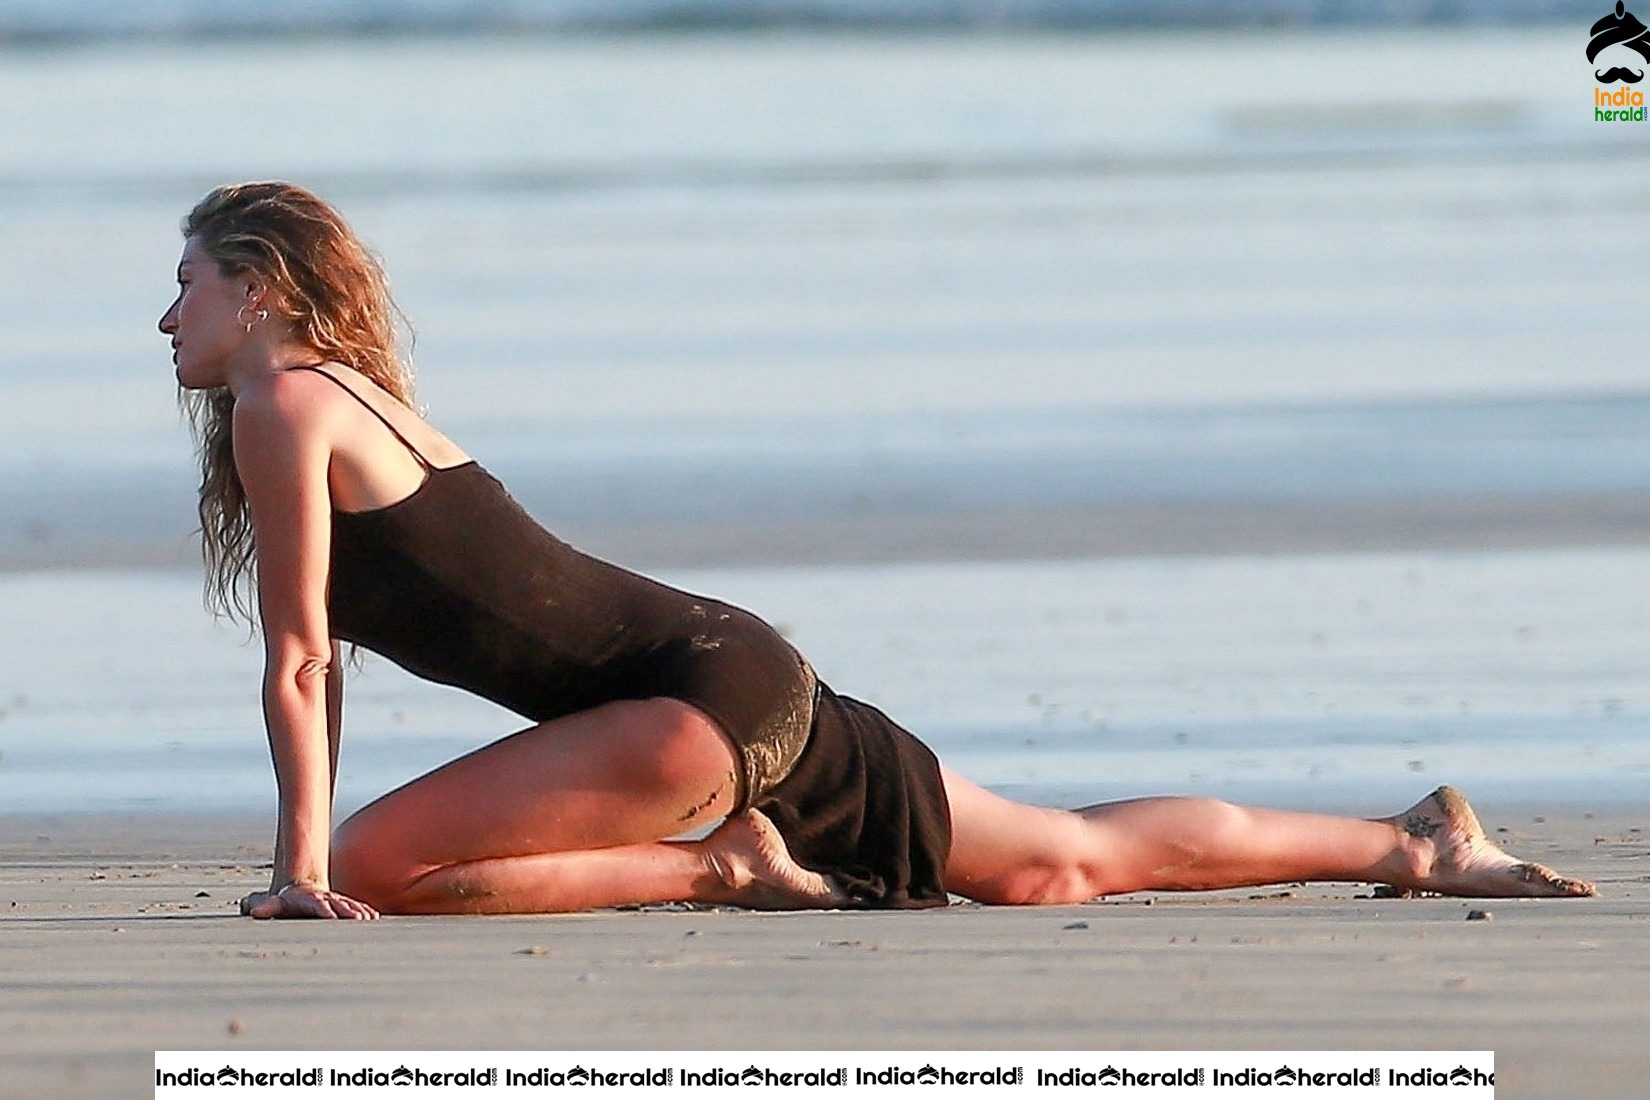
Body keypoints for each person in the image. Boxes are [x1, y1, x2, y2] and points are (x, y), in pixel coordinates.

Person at [158, 182, 1596, 921]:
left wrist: (300, 868)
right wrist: (293, 854)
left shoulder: (283, 405)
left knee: (378, 868)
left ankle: (722, 866)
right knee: (1055, 864)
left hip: (681, 716)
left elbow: (294, 656)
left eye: (186, 288)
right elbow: (321, 659)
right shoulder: (340, 404)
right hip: (732, 674)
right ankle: (1414, 847)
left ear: (262, 290)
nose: (169, 323)